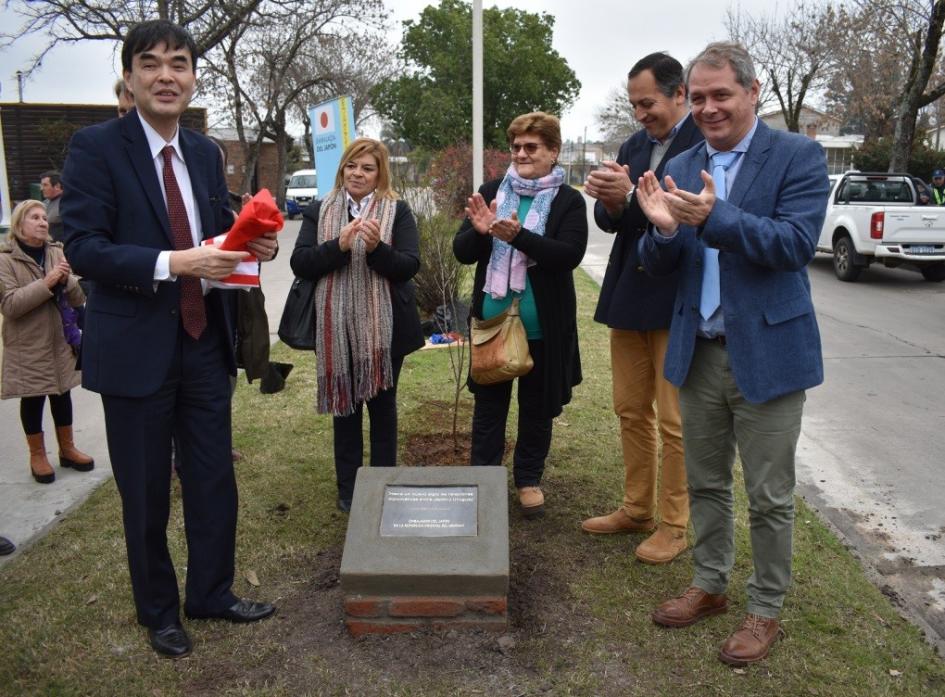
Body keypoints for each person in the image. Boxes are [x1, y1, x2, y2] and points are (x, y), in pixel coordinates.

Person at [60, 19, 278, 659]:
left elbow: (217, 233)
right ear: (129, 78)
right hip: (135, 351)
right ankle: (158, 610)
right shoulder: (96, 148)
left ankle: (211, 591)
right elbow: (86, 249)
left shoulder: (207, 153)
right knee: (148, 490)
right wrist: (172, 263)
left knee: (214, 480)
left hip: (204, 342)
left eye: (178, 63)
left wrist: (251, 242)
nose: (165, 75)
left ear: (191, 76)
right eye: (150, 63)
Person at [635, 41, 829, 666]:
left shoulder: (797, 155)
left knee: (770, 495)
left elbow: (794, 244)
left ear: (752, 93)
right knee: (707, 482)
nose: (710, 108)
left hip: (769, 353)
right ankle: (711, 584)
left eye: (722, 95)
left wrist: (714, 218)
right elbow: (658, 262)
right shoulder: (684, 160)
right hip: (700, 353)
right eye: (699, 98)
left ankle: (765, 608)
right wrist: (665, 230)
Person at [581, 52, 703, 564]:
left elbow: (677, 213)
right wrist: (609, 202)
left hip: (677, 298)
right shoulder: (633, 145)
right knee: (630, 409)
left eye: (647, 102)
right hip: (629, 296)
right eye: (634, 104)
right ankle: (636, 508)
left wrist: (628, 198)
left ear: (679, 94)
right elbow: (616, 222)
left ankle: (675, 524)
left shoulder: (707, 144)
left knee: (674, 420)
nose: (640, 114)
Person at [454, 112, 587, 519]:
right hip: (492, 325)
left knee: (537, 409)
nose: (522, 153)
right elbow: (462, 253)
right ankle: (484, 480)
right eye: (516, 147)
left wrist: (520, 237)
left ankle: (528, 479)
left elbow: (568, 256)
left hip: (542, 327)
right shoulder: (492, 190)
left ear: (553, 151)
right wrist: (479, 231)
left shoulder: (568, 200)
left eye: (532, 147)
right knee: (489, 408)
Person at [290, 137, 423, 513]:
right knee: (344, 408)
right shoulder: (321, 209)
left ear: (380, 173)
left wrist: (379, 249)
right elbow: (301, 263)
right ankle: (349, 490)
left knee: (383, 407)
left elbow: (409, 266)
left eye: (367, 168)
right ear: (342, 168)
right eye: (352, 166)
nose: (358, 174)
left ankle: (383, 485)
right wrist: (339, 246)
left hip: (385, 330)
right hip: (334, 326)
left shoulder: (397, 211)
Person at [1, 199, 93, 485]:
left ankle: (67, 450)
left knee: (62, 393)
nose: (43, 222)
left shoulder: (57, 251)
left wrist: (68, 282)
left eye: (44, 217)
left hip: (60, 340)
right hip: (29, 343)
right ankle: (37, 455)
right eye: (35, 217)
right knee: (33, 397)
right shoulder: (5, 259)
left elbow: (78, 299)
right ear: (19, 225)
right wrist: (49, 281)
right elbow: (10, 305)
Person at [40, 171, 65, 242]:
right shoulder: (44, 203)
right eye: (41, 185)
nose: (41, 189)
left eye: (45, 185)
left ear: (57, 186)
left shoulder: (68, 204)